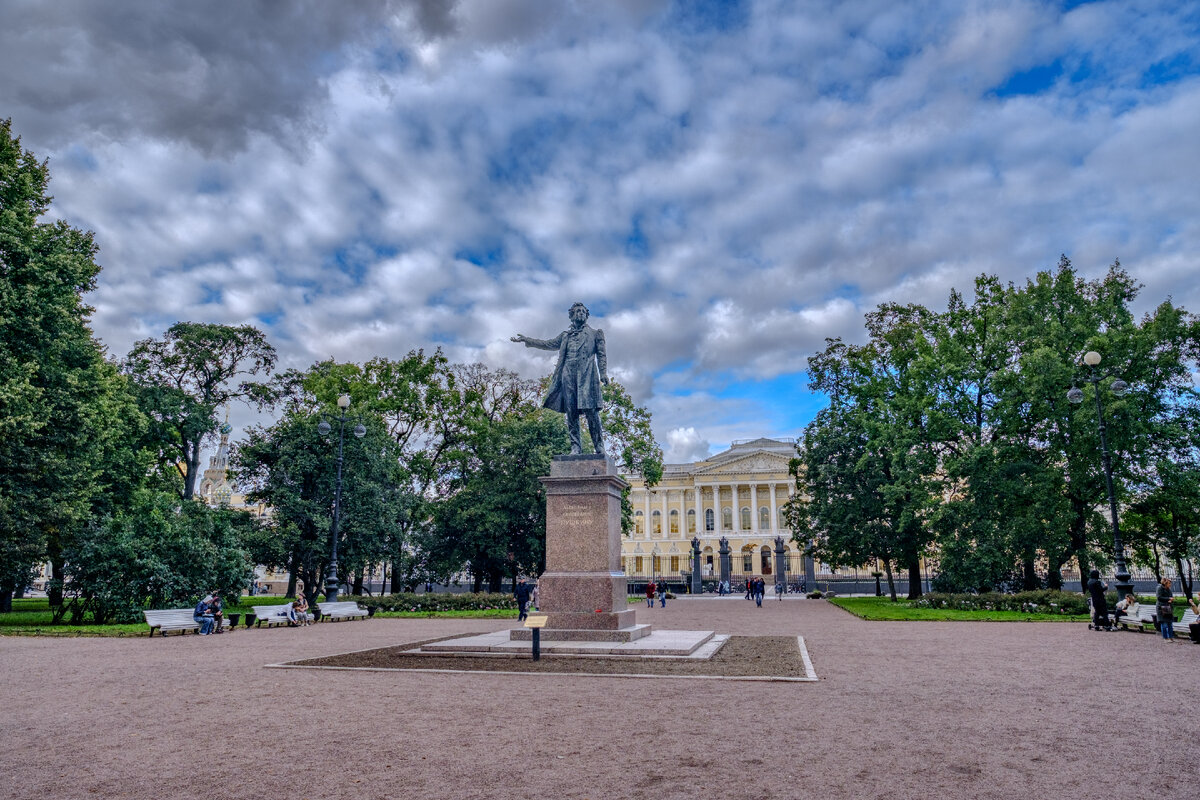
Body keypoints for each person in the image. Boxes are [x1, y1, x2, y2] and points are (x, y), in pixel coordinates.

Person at [511, 302, 608, 455]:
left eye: (583, 311)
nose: (581, 313)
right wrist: (527, 340)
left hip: (587, 377)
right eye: (577, 311)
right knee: (571, 413)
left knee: (591, 412)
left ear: (587, 315)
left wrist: (603, 373)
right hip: (567, 376)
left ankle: (599, 447)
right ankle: (575, 447)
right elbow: (547, 344)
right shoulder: (565, 336)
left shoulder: (596, 334)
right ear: (571, 316)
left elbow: (602, 355)